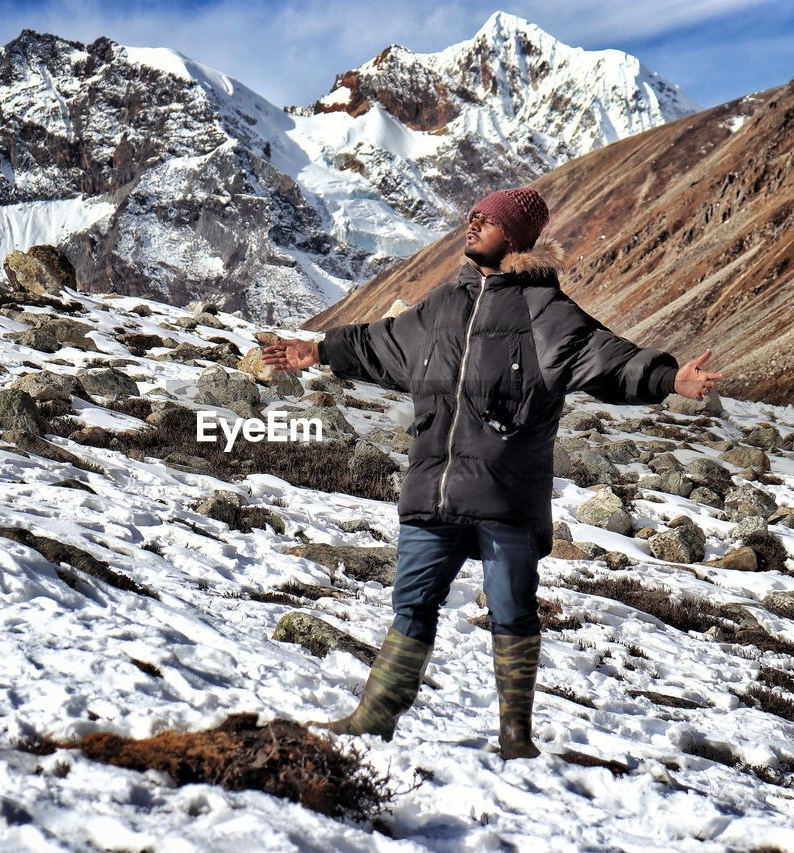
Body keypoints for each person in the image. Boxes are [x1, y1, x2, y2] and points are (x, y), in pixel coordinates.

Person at [262, 186, 721, 759]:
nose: (471, 221)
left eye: (487, 218)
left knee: (511, 611)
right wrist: (318, 351)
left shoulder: (546, 311)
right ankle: (373, 719)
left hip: (506, 491)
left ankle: (515, 738)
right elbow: (377, 344)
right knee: (412, 603)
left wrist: (668, 380)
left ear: (515, 235)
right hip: (434, 485)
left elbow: (611, 360)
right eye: (472, 212)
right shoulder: (443, 304)